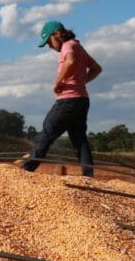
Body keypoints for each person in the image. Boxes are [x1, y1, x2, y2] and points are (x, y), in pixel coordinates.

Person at [21, 20, 102, 177]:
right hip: (82, 100)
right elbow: (96, 69)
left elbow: (70, 60)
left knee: (47, 131)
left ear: (57, 34)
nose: (49, 47)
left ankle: (26, 170)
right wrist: (80, 82)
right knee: (79, 139)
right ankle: (88, 176)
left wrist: (57, 82)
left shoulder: (67, 45)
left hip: (68, 100)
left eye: (49, 42)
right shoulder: (79, 46)